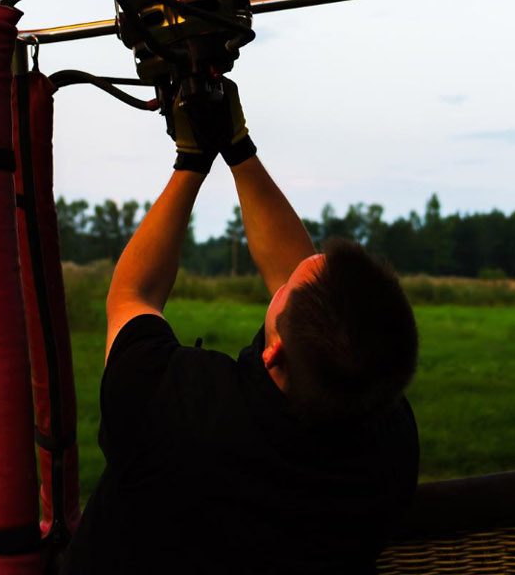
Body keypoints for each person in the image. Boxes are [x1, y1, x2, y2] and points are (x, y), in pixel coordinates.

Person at [60, 80, 420, 575]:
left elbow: (133, 296)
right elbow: (307, 303)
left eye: (287, 288)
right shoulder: (386, 443)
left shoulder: (175, 408)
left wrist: (191, 162)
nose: (303, 261)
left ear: (274, 353)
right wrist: (238, 148)